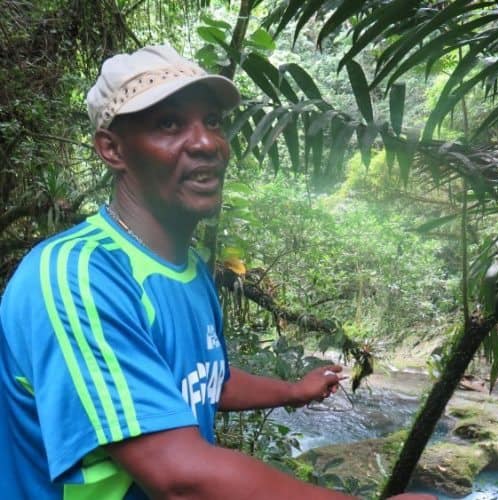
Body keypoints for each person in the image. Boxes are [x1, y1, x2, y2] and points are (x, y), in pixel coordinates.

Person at [0, 45, 432, 499]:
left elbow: (207, 380)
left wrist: (291, 391)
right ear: (113, 149)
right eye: (168, 124)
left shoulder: (190, 273)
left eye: (212, 121)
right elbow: (178, 476)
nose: (206, 142)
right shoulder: (80, 274)